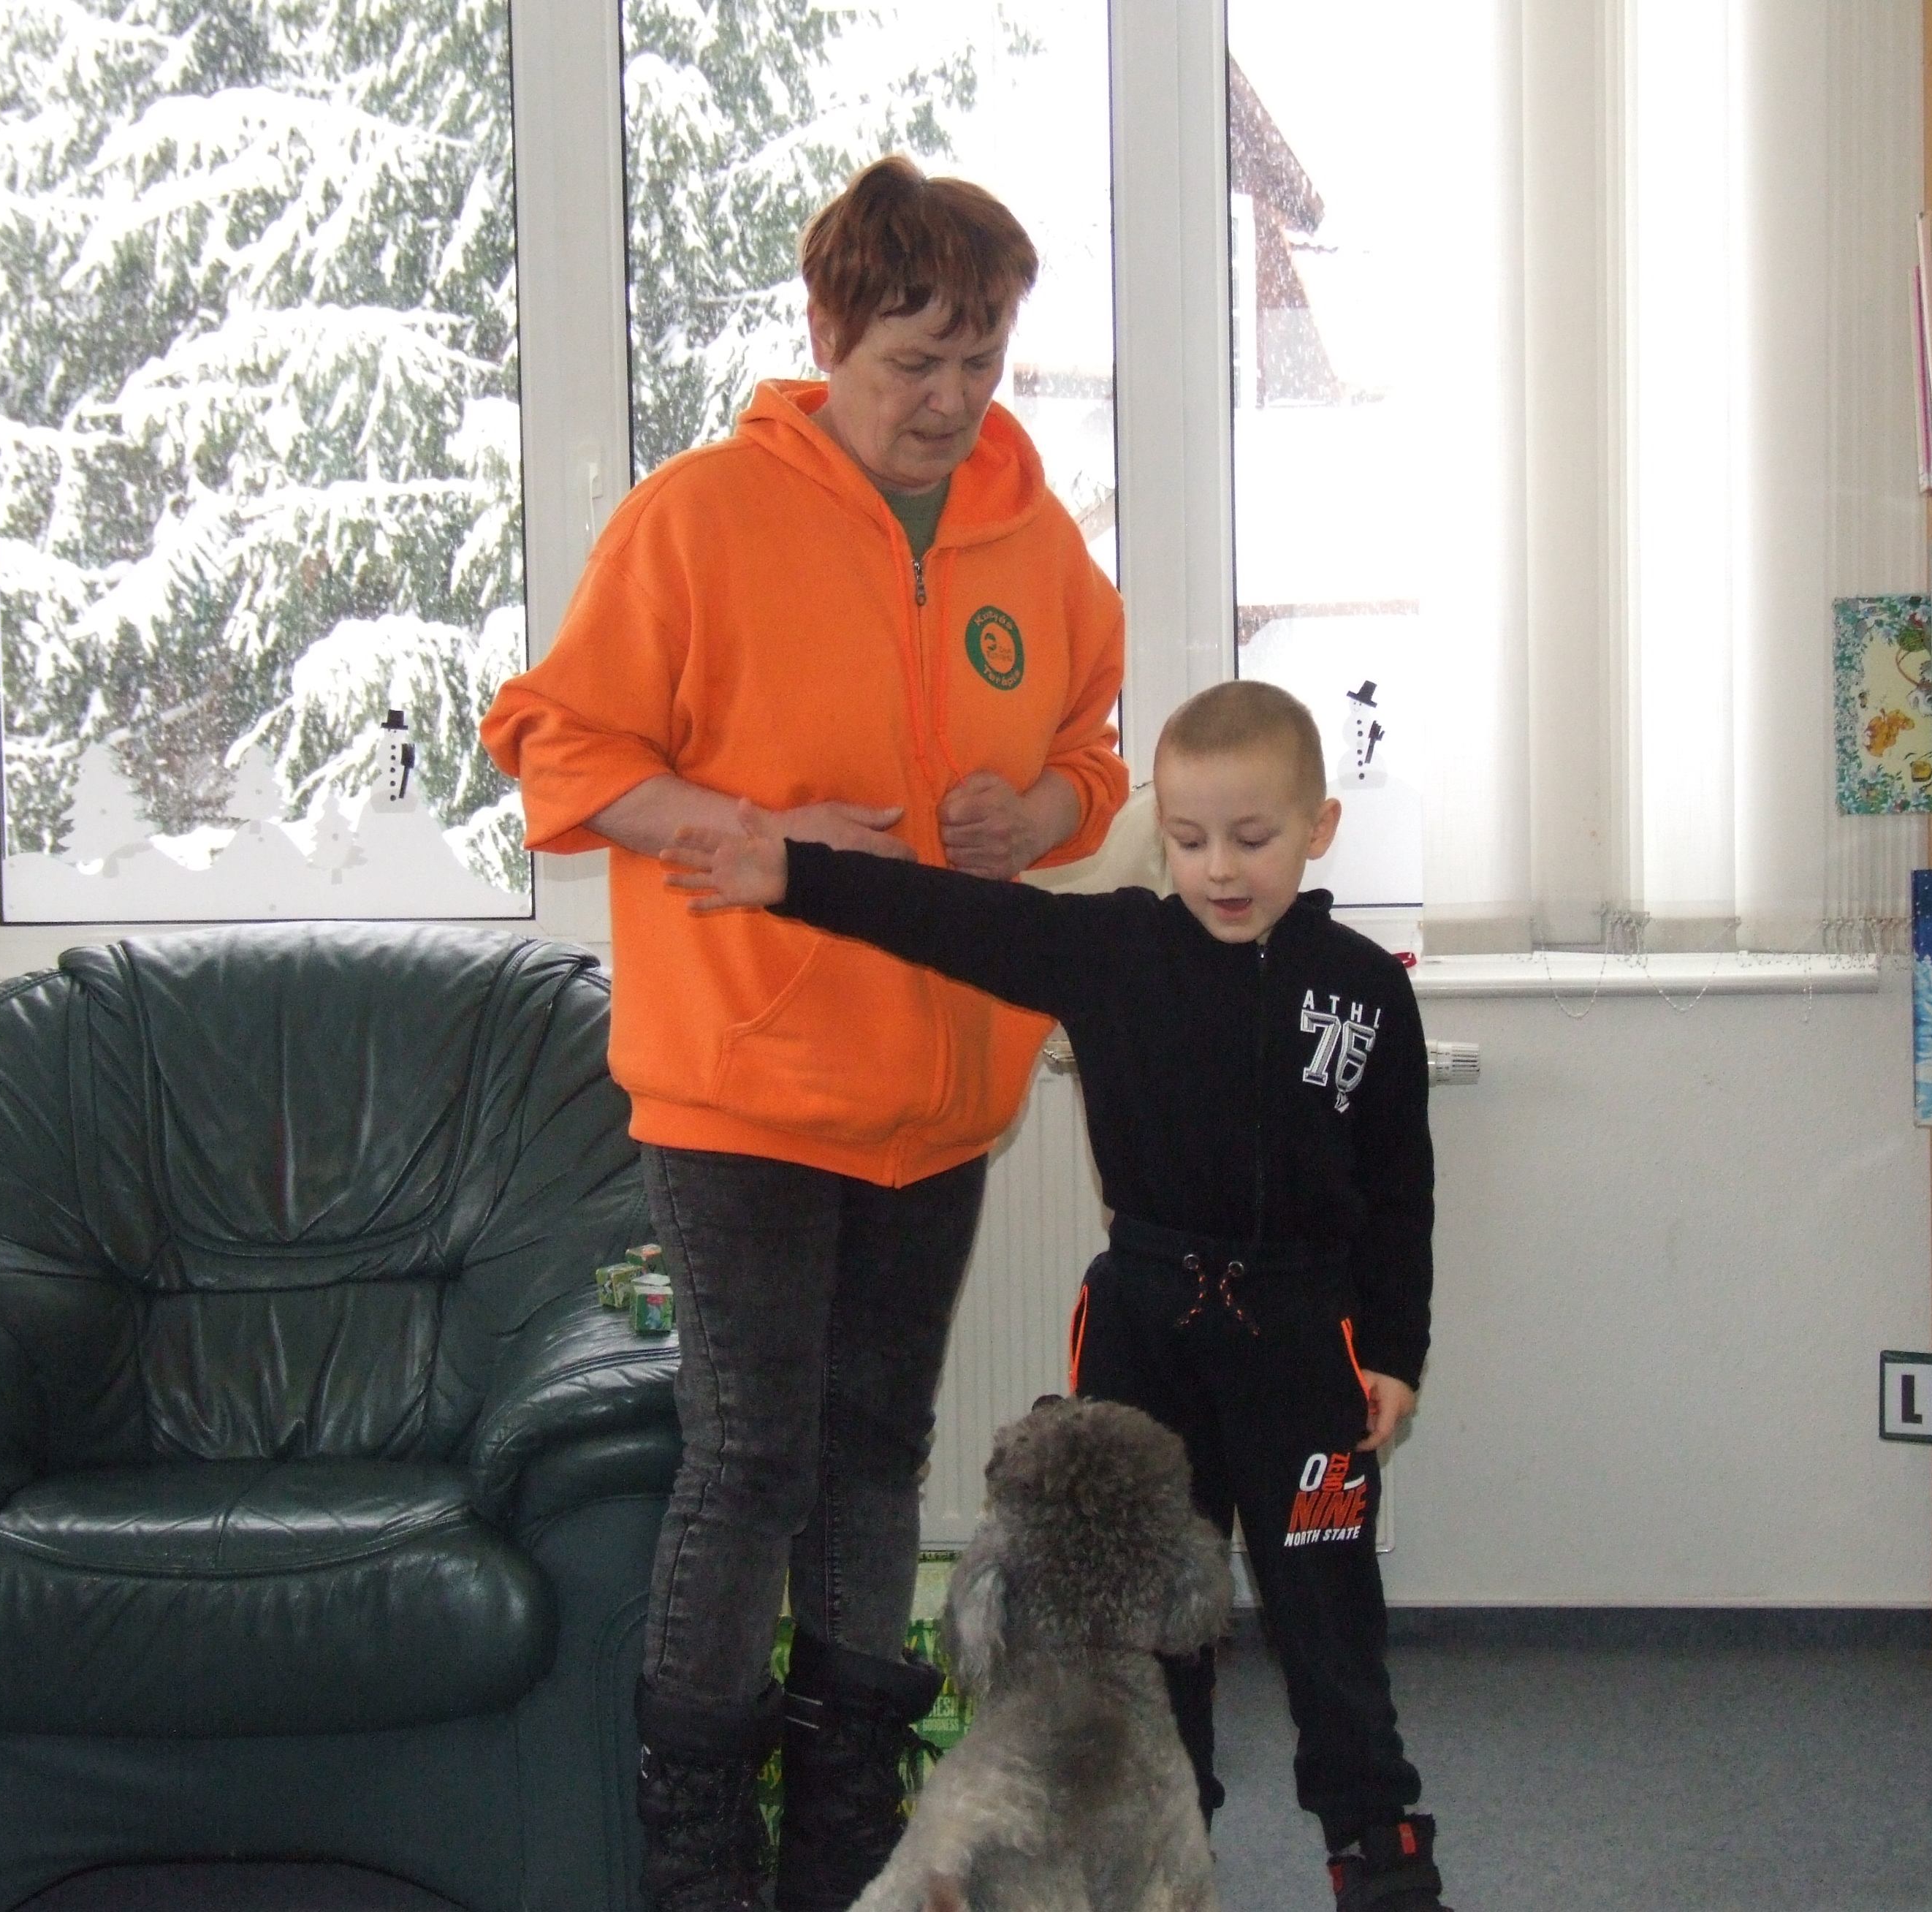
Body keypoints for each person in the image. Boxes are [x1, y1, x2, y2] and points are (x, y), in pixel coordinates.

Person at [479, 156, 1127, 1912]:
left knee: (875, 1455)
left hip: (943, 1090)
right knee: (751, 1459)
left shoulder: (1033, 537)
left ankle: (848, 1832)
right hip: (742, 1084)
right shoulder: (696, 520)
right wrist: (744, 829)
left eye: (980, 363)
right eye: (914, 362)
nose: (950, 402)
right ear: (829, 336)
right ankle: (697, 1853)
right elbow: (554, 748)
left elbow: (1092, 748)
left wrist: (1039, 813)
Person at [664, 679, 1448, 1912]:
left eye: (1253, 839)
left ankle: (1381, 1856)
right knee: (1137, 1630)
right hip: (1145, 1333)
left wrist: (1393, 1350)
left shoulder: (1365, 991)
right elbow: (951, 917)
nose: (1220, 869)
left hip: (1305, 1344)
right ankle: (1164, 1851)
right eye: (1188, 839)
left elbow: (1401, 1189)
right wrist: (795, 875)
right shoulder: (1116, 950)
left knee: (1329, 1623)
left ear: (1320, 827)